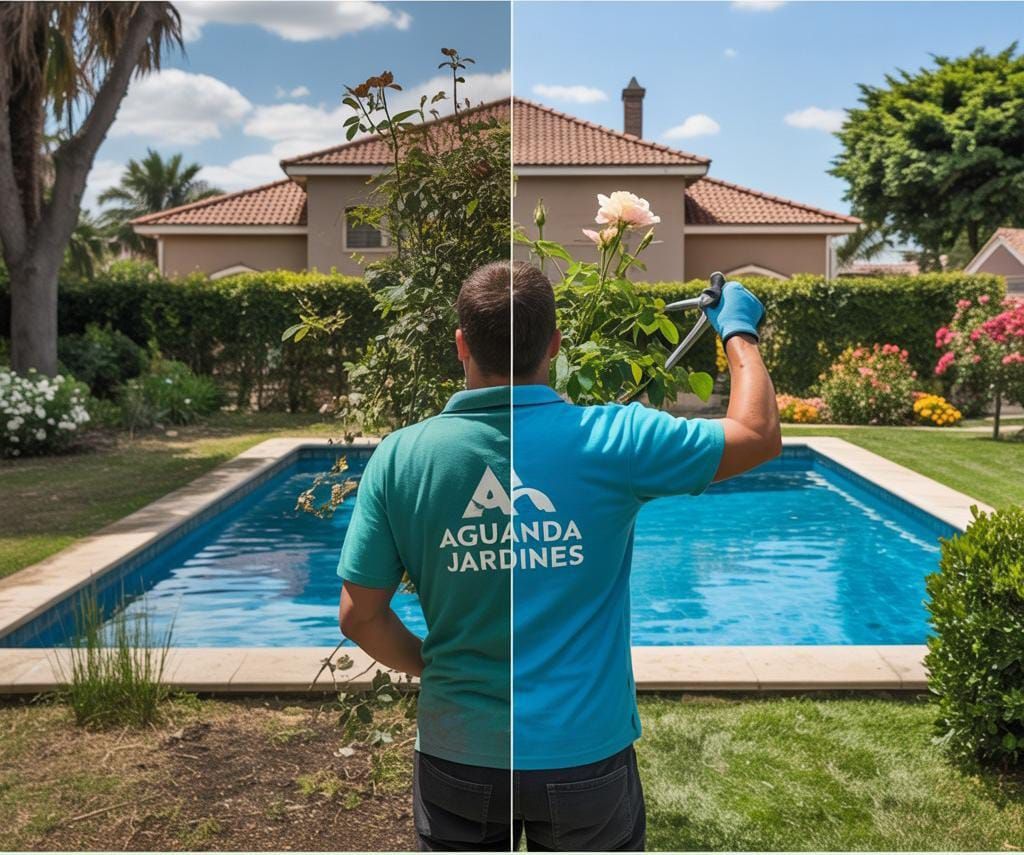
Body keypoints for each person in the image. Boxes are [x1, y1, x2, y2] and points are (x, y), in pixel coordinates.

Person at [338, 260, 779, 852]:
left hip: (459, 748)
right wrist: (738, 329)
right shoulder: (615, 439)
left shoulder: (401, 458)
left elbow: (360, 616)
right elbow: (757, 434)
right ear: (554, 343)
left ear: (461, 344)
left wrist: (436, 669)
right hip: (584, 754)